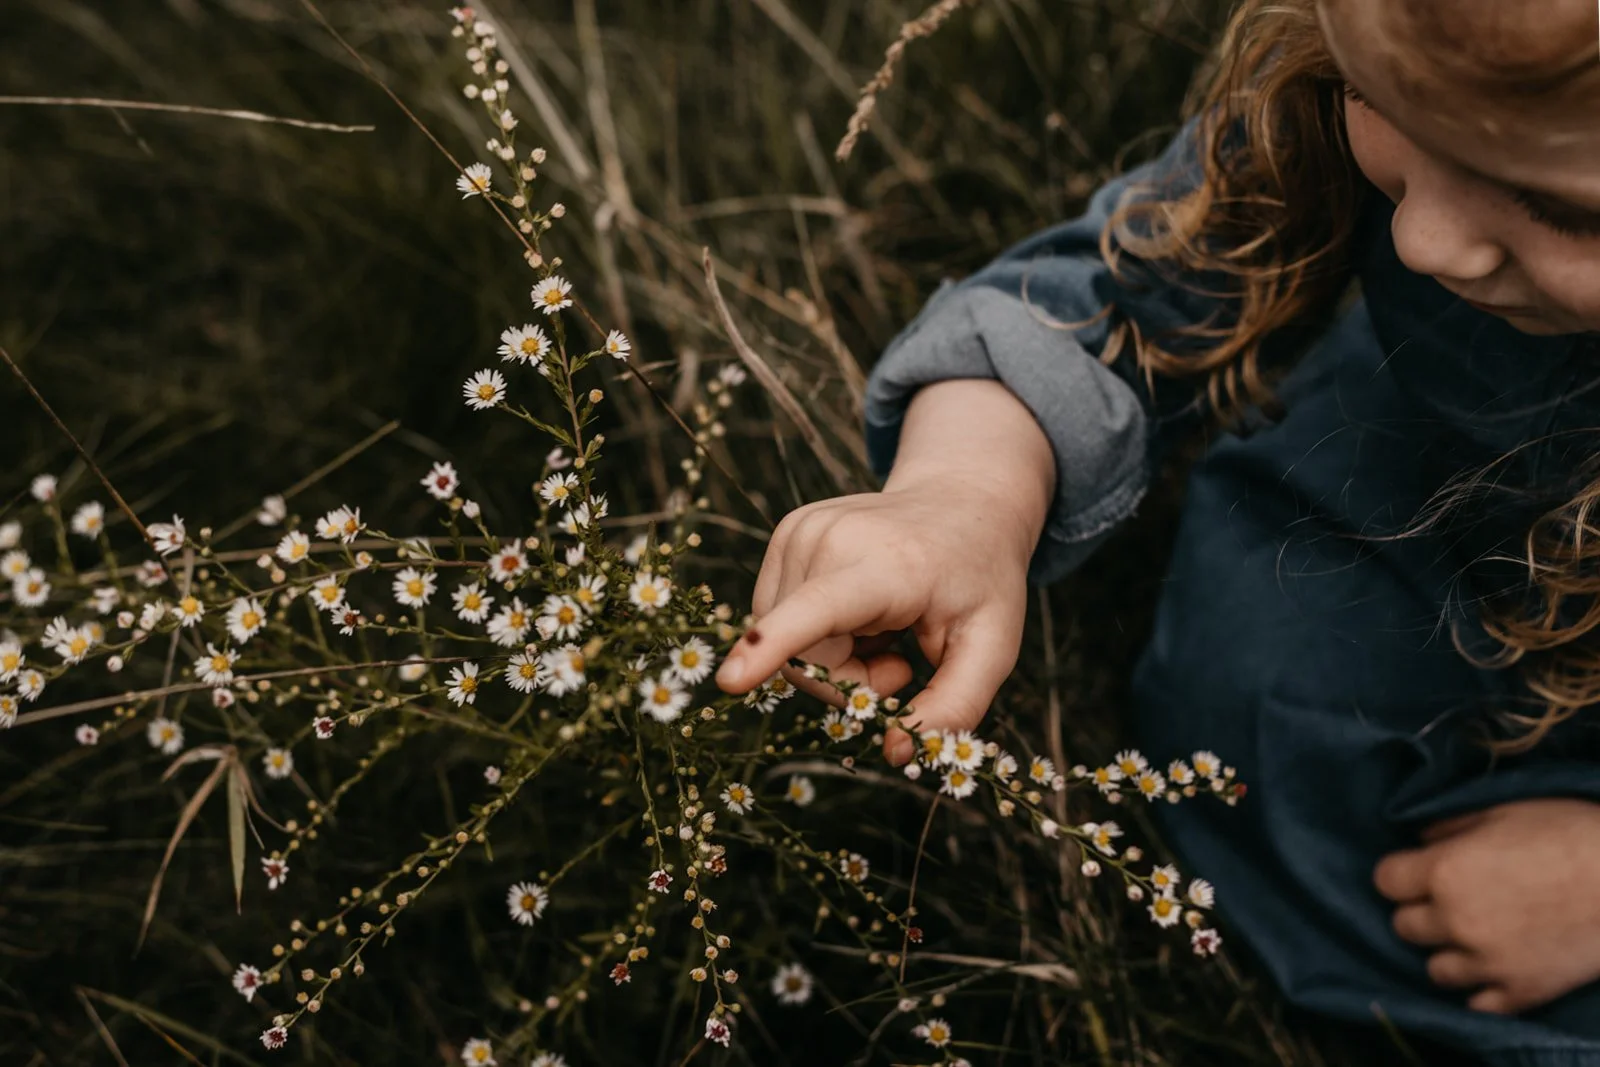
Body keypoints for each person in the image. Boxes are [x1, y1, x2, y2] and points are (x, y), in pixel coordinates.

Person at [715, 0, 1600, 1062]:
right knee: (1249, 687)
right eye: (1376, 99)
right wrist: (960, 499)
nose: (1424, 239)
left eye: (1561, 212)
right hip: (1414, 502)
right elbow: (1112, 297)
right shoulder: (1363, 78)